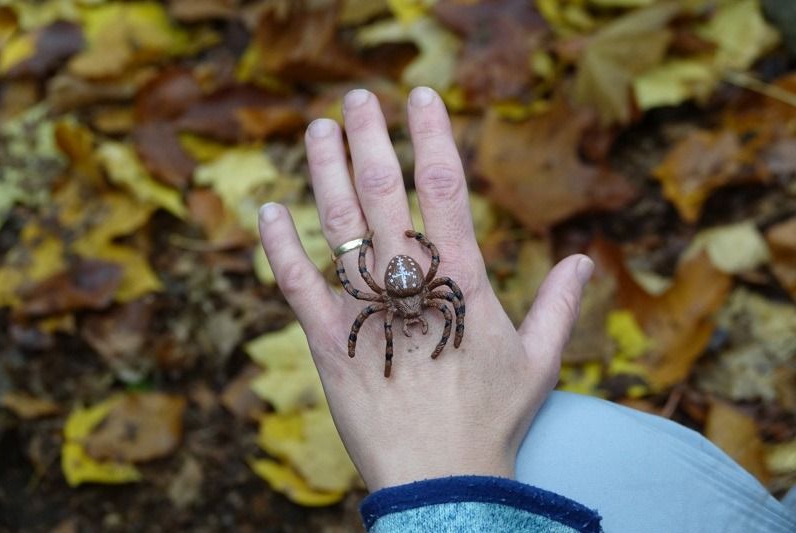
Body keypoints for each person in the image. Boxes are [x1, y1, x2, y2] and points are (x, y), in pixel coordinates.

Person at [257, 87, 796, 532]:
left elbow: (448, 293)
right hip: (398, 280)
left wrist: (444, 326)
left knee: (552, 437)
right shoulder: (385, 302)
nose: (417, 313)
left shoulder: (437, 291)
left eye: (424, 303)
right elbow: (367, 300)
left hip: (408, 280)